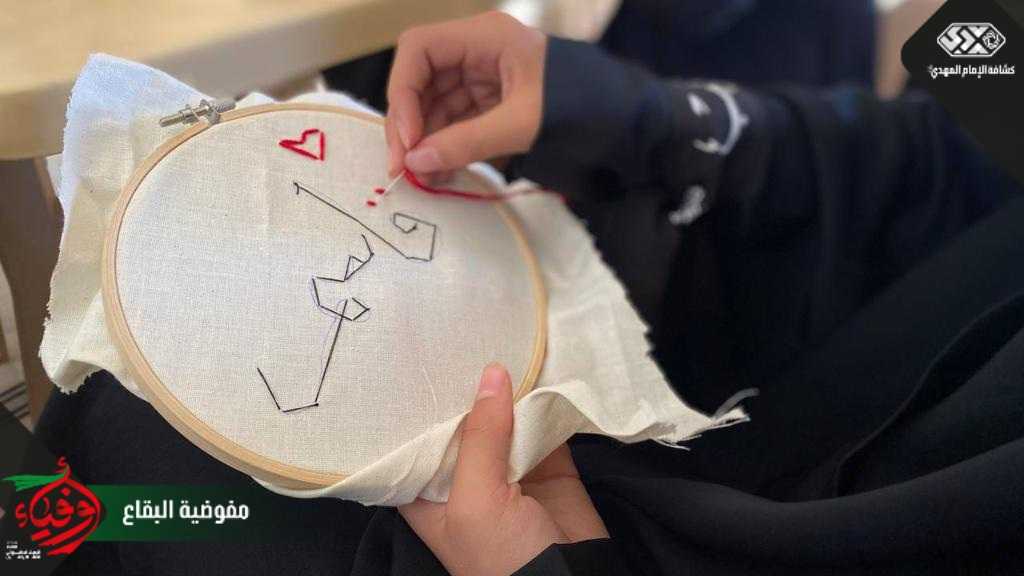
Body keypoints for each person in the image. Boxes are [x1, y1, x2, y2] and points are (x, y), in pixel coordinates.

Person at [39, 9, 1024, 576]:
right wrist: (640, 118)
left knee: (135, 465)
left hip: (601, 528)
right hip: (775, 345)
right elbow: (954, 136)